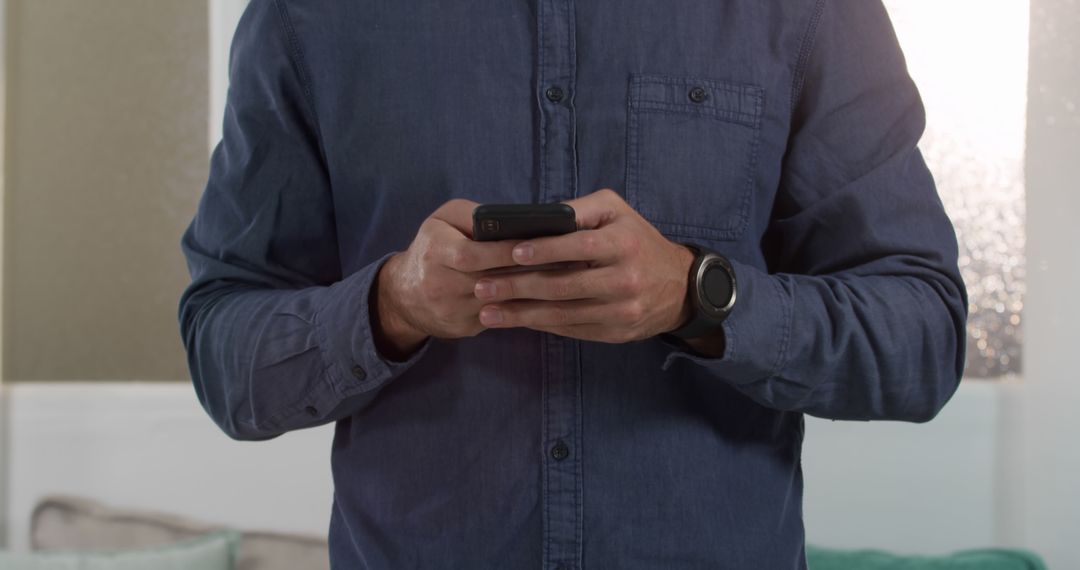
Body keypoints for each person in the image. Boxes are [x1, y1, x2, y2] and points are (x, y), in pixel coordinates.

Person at [177, 0, 968, 568]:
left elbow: (922, 336)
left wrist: (698, 296)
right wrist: (392, 304)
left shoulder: (806, 11)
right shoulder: (308, 18)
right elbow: (225, 353)